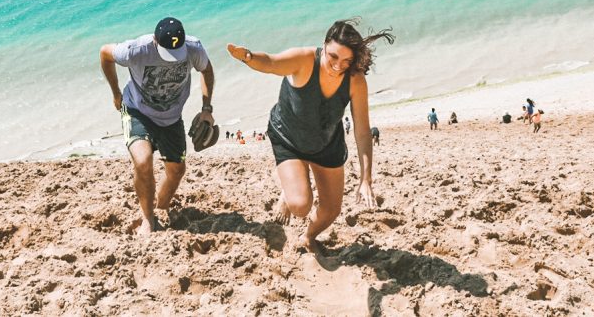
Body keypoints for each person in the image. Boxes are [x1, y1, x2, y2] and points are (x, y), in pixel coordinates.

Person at [227, 19, 394, 250]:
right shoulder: (304, 60)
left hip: (326, 145)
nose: (338, 66)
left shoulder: (355, 80)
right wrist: (248, 57)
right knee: (300, 205)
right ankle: (288, 192)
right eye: (333, 57)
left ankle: (308, 237)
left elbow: (363, 131)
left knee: (332, 210)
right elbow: (272, 63)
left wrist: (366, 179)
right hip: (289, 138)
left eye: (346, 61)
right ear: (323, 46)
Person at [99, 17, 215, 236]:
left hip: (171, 117)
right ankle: (147, 218)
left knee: (177, 171)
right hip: (136, 110)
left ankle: (161, 208)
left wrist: (206, 108)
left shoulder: (193, 48)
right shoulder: (136, 50)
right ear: (154, 41)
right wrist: (115, 92)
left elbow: (207, 70)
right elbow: (105, 53)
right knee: (143, 162)